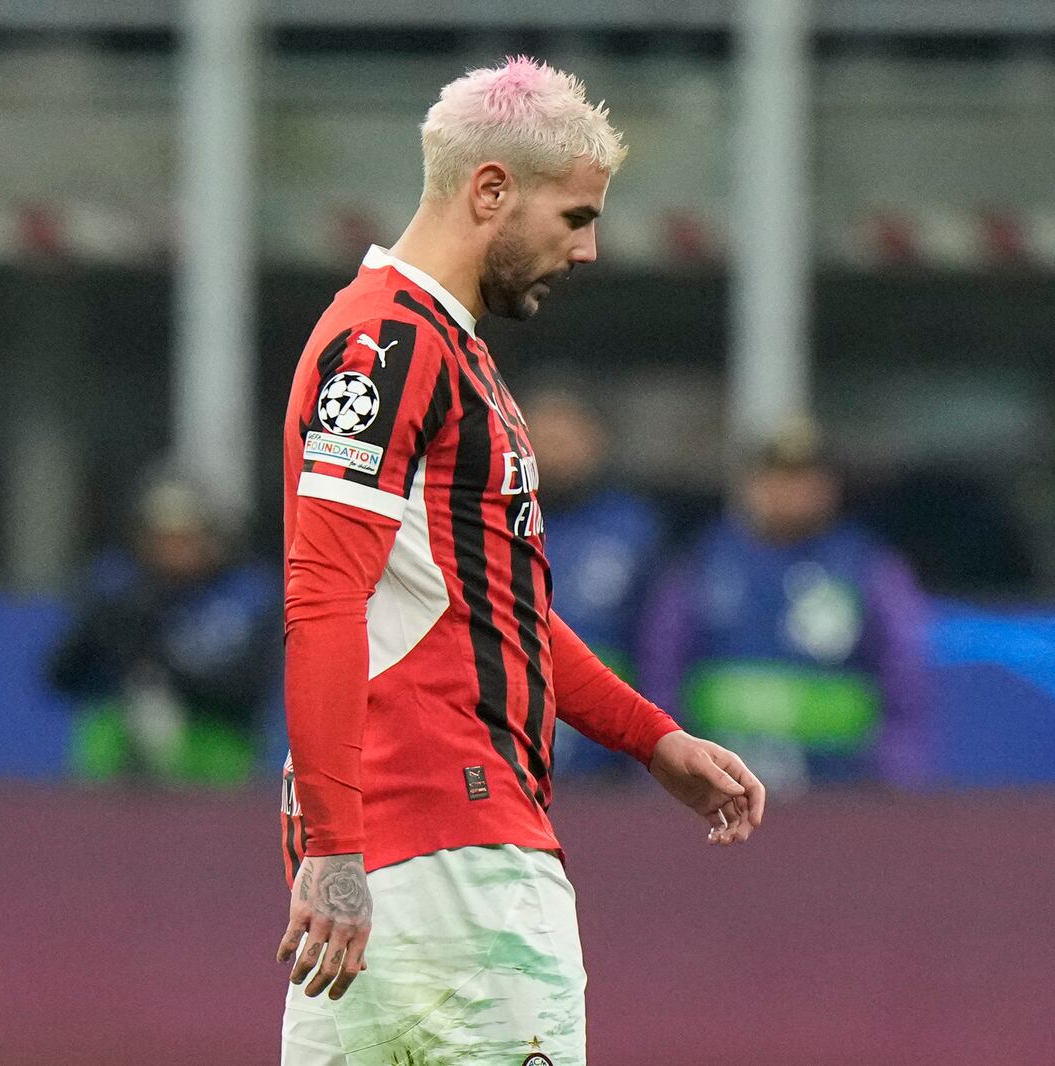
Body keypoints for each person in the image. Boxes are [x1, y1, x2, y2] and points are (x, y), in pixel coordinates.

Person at [275, 57, 766, 1065]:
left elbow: (490, 606)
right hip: (452, 849)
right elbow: (323, 596)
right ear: (491, 189)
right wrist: (332, 846)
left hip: (413, 848)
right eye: (575, 217)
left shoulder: (438, 350)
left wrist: (650, 735)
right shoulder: (388, 346)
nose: (585, 250)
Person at [640, 420, 935, 793]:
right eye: (777, 479)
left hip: (839, 786)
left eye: (806, 481)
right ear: (751, 485)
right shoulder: (702, 562)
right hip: (720, 787)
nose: (792, 493)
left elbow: (905, 675)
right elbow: (661, 670)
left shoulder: (867, 567)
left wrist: (897, 776)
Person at [46, 473, 280, 786]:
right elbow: (61, 676)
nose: (172, 549)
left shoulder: (247, 595)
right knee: (105, 726)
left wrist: (168, 670)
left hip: (213, 735)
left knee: (212, 743)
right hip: (125, 730)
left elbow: (251, 690)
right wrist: (106, 639)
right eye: (161, 536)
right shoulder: (117, 588)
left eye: (186, 536)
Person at [521, 387, 666, 777]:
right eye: (545, 439)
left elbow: (660, 645)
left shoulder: (634, 528)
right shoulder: (491, 518)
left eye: (568, 440)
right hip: (506, 738)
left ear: (595, 442)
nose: (556, 453)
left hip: (606, 750)